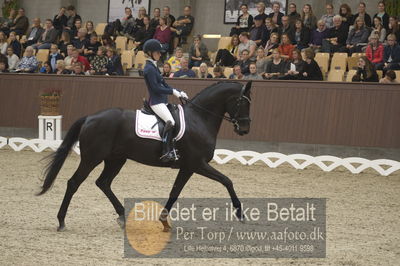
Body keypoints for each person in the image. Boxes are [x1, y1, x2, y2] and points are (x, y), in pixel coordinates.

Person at [142, 39, 188, 162]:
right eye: (157, 52)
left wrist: (178, 92)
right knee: (170, 121)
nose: (160, 54)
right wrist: (172, 92)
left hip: (162, 100)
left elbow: (163, 83)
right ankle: (166, 151)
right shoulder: (149, 69)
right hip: (156, 102)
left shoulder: (154, 66)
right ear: (150, 52)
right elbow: (156, 88)